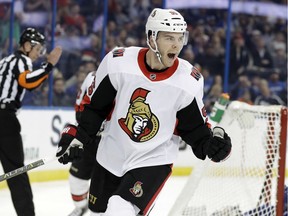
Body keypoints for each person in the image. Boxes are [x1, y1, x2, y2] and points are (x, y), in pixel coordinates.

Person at [56, 8, 232, 216]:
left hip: (153, 160)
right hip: (110, 155)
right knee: (100, 213)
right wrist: (78, 137)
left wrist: (211, 145)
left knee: (119, 209)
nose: (176, 45)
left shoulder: (188, 81)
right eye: (168, 37)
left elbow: (194, 128)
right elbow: (95, 108)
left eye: (180, 38)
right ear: (151, 38)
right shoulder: (117, 63)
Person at [0, 27, 62, 216]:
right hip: (4, 119)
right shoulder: (21, 60)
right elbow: (27, 80)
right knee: (16, 172)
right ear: (26, 46)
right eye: (37, 49)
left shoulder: (4, 61)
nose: (38, 54)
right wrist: (48, 65)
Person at [68, 71, 102, 216]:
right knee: (76, 176)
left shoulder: (128, 80)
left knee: (102, 183)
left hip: (110, 140)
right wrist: (82, 130)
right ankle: (81, 208)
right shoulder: (92, 76)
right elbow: (79, 105)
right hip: (88, 136)